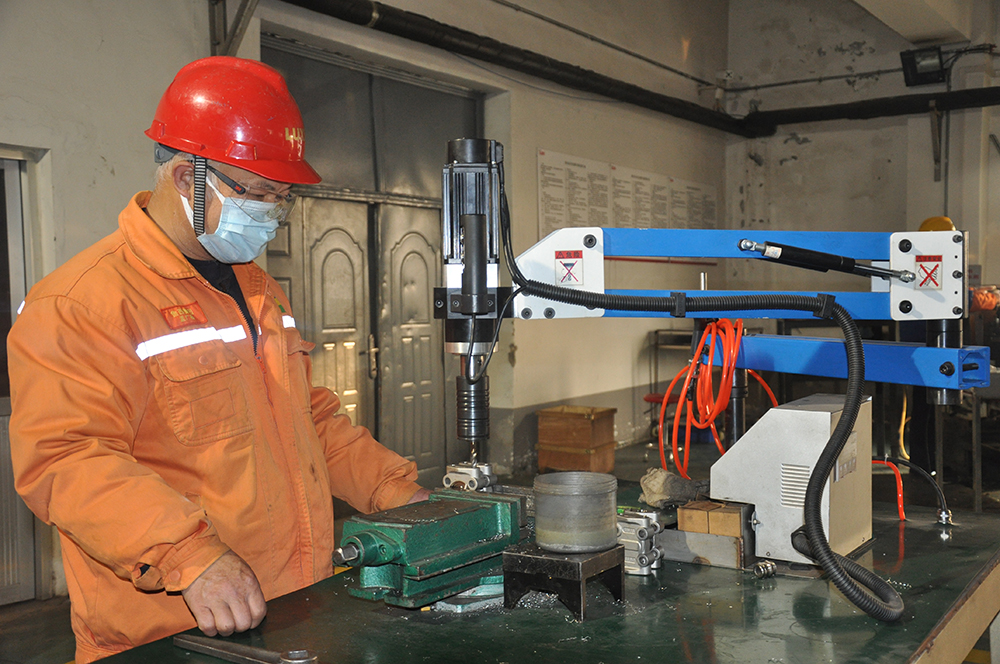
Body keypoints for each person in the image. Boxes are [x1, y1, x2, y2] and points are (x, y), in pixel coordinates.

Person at [8, 56, 431, 663]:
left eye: (282, 197)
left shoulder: (258, 289)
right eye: (259, 194)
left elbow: (309, 422)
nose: (273, 214)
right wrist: (189, 554)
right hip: (173, 629)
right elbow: (68, 459)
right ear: (188, 177)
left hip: (291, 609)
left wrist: (397, 492)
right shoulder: (85, 302)